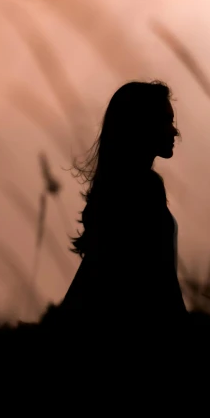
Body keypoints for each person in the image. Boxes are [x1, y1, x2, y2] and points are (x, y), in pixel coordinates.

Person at [59, 80, 187, 331]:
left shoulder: (116, 187)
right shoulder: (143, 189)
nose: (175, 132)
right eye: (165, 121)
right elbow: (158, 278)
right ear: (141, 125)